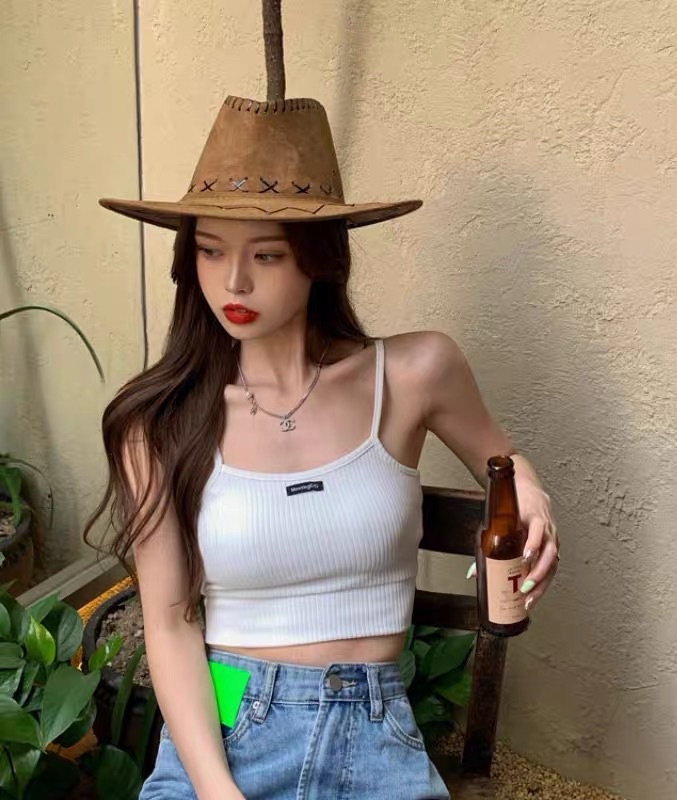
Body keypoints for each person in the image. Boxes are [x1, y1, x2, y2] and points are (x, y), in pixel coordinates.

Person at [87, 95, 559, 800]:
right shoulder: (158, 421)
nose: (234, 281)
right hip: (224, 725)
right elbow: (170, 622)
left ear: (320, 260)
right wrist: (218, 792)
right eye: (210, 250)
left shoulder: (412, 373)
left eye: (267, 254)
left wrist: (529, 489)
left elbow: (504, 465)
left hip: (372, 728)